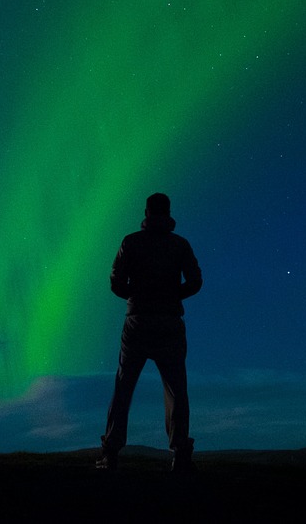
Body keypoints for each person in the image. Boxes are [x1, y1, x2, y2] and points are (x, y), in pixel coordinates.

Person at [97, 192, 203, 472]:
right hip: (169, 321)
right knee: (176, 389)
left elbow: (116, 282)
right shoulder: (180, 245)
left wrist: (136, 293)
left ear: (146, 212)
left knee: (124, 387)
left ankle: (110, 452)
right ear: (168, 213)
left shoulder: (131, 242)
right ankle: (180, 454)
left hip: (138, 321)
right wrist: (172, 295)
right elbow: (195, 281)